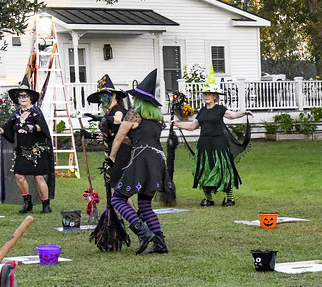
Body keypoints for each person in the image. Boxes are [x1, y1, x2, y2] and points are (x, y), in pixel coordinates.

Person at [106, 69, 169, 254]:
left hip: (142, 159)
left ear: (139, 100)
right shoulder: (157, 119)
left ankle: (143, 232)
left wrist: (112, 159)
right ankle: (160, 244)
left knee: (117, 198)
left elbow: (119, 138)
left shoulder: (133, 114)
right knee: (144, 204)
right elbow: (137, 138)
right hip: (158, 160)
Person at [171, 67, 253, 207]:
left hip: (219, 145)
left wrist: (244, 113)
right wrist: (177, 124)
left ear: (215, 96)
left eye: (209, 94)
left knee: (223, 170)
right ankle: (208, 199)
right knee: (203, 170)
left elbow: (232, 115)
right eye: (205, 94)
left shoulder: (220, 109)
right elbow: (192, 126)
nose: (206, 96)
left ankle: (230, 199)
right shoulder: (202, 111)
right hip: (204, 145)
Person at [87, 75, 131, 251]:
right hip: (113, 149)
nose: (101, 99)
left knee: (115, 189)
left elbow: (119, 121)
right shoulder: (108, 112)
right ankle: (132, 218)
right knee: (116, 189)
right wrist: (92, 135)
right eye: (100, 97)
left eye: (104, 96)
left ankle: (122, 219)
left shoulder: (118, 109)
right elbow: (110, 133)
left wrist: (104, 120)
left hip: (121, 152)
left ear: (113, 95)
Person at [2, 76, 53, 214]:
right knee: (19, 175)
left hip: (37, 150)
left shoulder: (36, 112)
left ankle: (46, 204)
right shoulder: (16, 115)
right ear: (17, 99)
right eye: (20, 96)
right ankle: (27, 202)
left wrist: (31, 127)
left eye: (25, 95)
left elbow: (42, 128)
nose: (23, 98)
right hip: (22, 150)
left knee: (38, 177)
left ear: (30, 97)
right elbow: (7, 129)